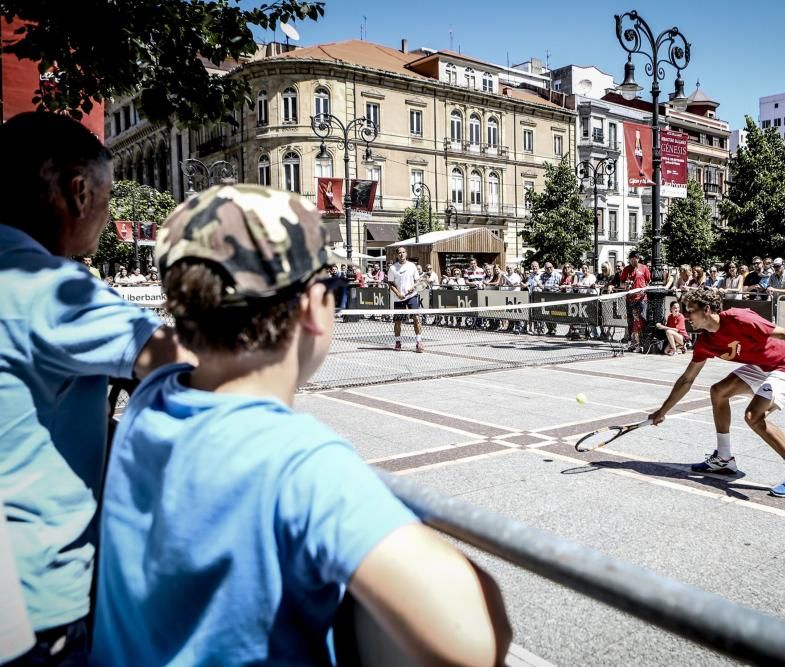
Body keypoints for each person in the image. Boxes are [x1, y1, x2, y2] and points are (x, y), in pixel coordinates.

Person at [91, 184, 511, 666]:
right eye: (337, 290)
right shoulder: (298, 462)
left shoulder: (151, 397)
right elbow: (473, 641)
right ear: (314, 305)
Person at [0, 111, 187, 665]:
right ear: (78, 193)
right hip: (36, 599)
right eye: (106, 199)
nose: (106, 218)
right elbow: (176, 360)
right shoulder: (49, 287)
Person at [649, 287, 785, 498]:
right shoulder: (706, 341)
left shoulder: (739, 318)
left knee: (754, 416)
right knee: (718, 391)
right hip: (760, 366)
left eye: (690, 311)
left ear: (706, 309)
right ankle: (724, 459)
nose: (686, 316)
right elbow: (686, 379)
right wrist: (662, 411)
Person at [388, 247, 424, 353]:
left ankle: (419, 342)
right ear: (396, 255)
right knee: (398, 321)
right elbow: (390, 283)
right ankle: (398, 342)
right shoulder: (393, 268)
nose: (401, 254)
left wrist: (414, 287)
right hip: (399, 298)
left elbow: (418, 281)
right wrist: (398, 294)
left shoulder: (412, 266)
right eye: (399, 253)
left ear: (406, 254)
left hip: (412, 296)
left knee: (416, 318)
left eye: (403, 252)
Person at [620, 250, 651, 351]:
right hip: (630, 298)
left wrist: (644, 289)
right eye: (632, 260)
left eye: (635, 259)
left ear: (638, 258)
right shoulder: (626, 269)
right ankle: (631, 341)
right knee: (630, 321)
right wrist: (626, 285)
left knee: (642, 319)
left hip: (642, 299)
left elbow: (648, 281)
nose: (634, 261)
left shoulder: (644, 268)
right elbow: (621, 283)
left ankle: (642, 342)